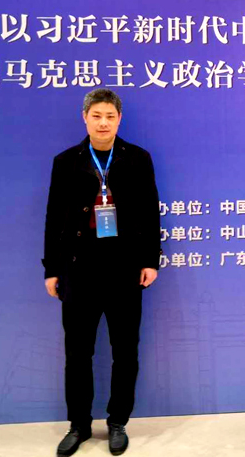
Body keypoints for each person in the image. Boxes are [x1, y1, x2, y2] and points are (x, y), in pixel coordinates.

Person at [42, 88, 160, 456]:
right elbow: (53, 219)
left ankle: (117, 421)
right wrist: (52, 268)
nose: (103, 123)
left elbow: (150, 212)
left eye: (110, 116)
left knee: (125, 350)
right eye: (96, 116)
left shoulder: (137, 159)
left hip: (125, 268)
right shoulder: (66, 161)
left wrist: (150, 260)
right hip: (79, 268)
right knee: (78, 353)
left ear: (119, 119)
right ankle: (78, 425)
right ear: (85, 118)